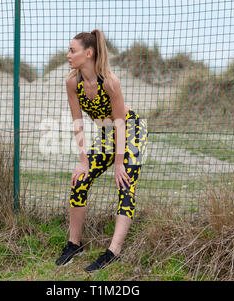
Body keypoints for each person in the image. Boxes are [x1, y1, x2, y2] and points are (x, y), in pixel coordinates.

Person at [55, 29, 149, 272]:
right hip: (107, 134)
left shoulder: (109, 82)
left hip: (131, 131)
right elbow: (78, 122)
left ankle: (113, 251)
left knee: (125, 183)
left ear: (88, 53)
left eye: (72, 50)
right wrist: (83, 160)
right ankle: (74, 244)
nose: (68, 55)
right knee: (79, 180)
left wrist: (119, 164)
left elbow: (120, 123)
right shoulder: (72, 82)